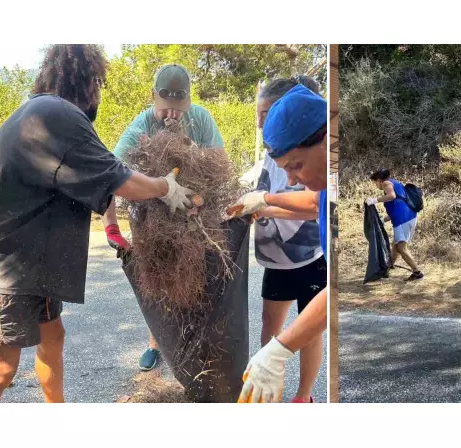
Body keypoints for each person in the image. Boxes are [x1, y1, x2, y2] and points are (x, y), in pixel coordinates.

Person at [0, 45, 195, 402]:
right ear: (88, 82)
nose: (99, 96)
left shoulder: (39, 111)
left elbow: (90, 180)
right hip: (8, 265)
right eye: (99, 86)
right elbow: (119, 178)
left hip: (32, 263)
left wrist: (112, 222)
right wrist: (165, 186)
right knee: (3, 366)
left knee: (52, 337)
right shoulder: (56, 113)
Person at [100, 63, 225, 371]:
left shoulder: (202, 120)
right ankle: (156, 342)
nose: (171, 115)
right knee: (156, 280)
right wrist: (111, 225)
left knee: (197, 278)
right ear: (154, 98)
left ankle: (196, 342)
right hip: (150, 218)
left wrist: (198, 200)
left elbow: (219, 167)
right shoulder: (141, 125)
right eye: (165, 109)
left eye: (178, 109)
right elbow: (108, 174)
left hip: (194, 218)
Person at [229, 84, 328, 403]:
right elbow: (314, 199)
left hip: (307, 262)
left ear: (326, 139)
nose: (290, 180)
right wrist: (264, 201)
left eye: (296, 166)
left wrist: (279, 351)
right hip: (277, 262)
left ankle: (305, 398)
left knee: (308, 328)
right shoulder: (326, 184)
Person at [366, 169, 424, 281]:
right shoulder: (395, 183)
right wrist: (384, 220)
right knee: (395, 245)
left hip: (403, 220)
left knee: (401, 248)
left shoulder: (386, 183)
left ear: (378, 180)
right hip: (408, 217)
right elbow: (398, 206)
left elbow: (391, 196)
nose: (376, 185)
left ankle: (417, 272)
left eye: (375, 182)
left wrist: (374, 200)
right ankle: (388, 267)